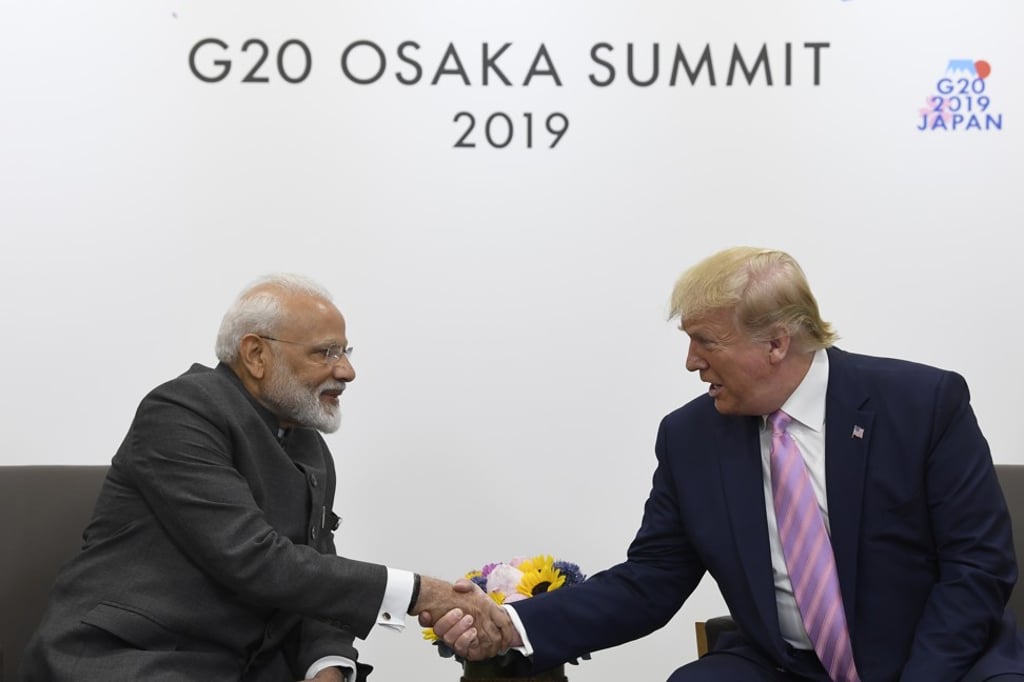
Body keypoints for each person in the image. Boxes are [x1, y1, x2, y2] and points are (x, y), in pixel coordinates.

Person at [426, 247, 1024, 681]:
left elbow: (978, 566)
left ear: (776, 344)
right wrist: (514, 625)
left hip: (938, 661)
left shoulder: (922, 404)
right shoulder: (690, 437)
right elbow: (650, 581)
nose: (691, 363)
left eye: (705, 342)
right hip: (787, 666)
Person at [20, 274, 510, 682]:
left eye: (345, 350)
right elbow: (254, 559)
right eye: (325, 352)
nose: (348, 370)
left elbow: (312, 571)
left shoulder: (306, 442)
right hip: (133, 661)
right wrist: (420, 591)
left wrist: (328, 666)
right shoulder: (181, 410)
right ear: (255, 355)